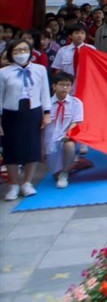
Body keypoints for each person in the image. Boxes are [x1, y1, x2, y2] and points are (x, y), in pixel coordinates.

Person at [1, 40, 52, 200]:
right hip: (10, 113)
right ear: (11, 53)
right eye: (17, 50)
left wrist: (47, 113)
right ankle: (14, 184)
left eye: (24, 49)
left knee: (32, 147)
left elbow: (45, 92)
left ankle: (27, 182)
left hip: (33, 111)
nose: (21, 53)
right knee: (11, 149)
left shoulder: (39, 69)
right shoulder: (3, 73)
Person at [43, 73, 84, 189]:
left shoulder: (76, 103)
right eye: (61, 85)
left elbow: (76, 122)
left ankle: (65, 172)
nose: (64, 88)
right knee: (55, 176)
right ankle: (74, 164)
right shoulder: (46, 104)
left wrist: (68, 133)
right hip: (50, 141)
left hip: (65, 137)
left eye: (68, 85)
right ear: (54, 86)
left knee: (69, 145)